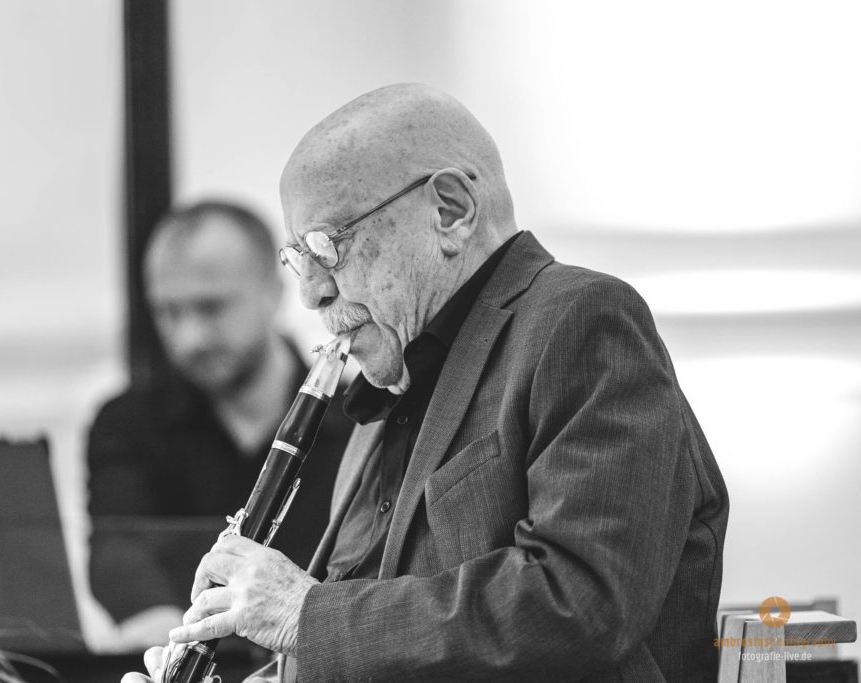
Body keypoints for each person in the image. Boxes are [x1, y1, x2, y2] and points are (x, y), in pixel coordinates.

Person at [128, 85, 729, 682]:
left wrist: (304, 614)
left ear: (450, 211)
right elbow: (379, 649)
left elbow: (580, 602)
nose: (311, 293)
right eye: (298, 259)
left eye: (327, 247)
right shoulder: (383, 394)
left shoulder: (580, 320)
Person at [87, 201, 353, 649]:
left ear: (274, 292)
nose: (189, 337)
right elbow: (116, 551)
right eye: (168, 312)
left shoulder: (359, 418)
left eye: (210, 307)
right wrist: (165, 629)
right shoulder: (126, 423)